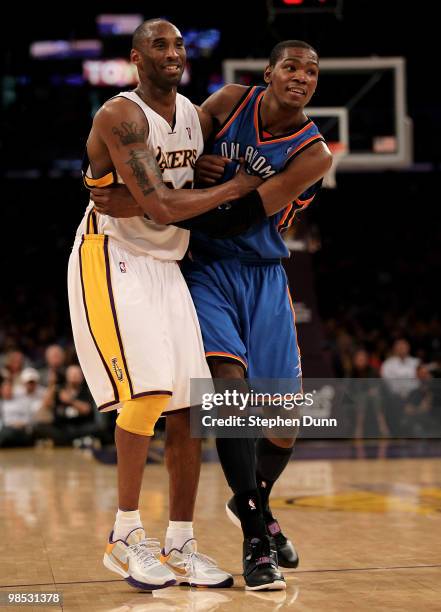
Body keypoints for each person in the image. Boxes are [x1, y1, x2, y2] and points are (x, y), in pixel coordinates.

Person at [95, 39, 332, 590]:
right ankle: (256, 537)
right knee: (229, 389)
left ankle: (252, 500)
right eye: (291, 67)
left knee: (284, 419)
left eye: (311, 71)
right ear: (269, 72)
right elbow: (175, 155)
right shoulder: (227, 102)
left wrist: (146, 204)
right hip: (205, 269)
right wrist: (162, 185)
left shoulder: (314, 153)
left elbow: (239, 213)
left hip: (265, 274)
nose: (301, 77)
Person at [68, 18, 261, 591]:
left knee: (188, 410)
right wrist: (232, 187)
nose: (172, 52)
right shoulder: (120, 115)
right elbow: (160, 209)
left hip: (169, 264)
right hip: (113, 257)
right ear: (136, 57)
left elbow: (160, 198)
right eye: (160, 44)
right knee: (149, 392)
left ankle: (180, 542)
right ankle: (125, 534)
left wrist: (180, 184)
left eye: (178, 44)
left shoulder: (194, 119)